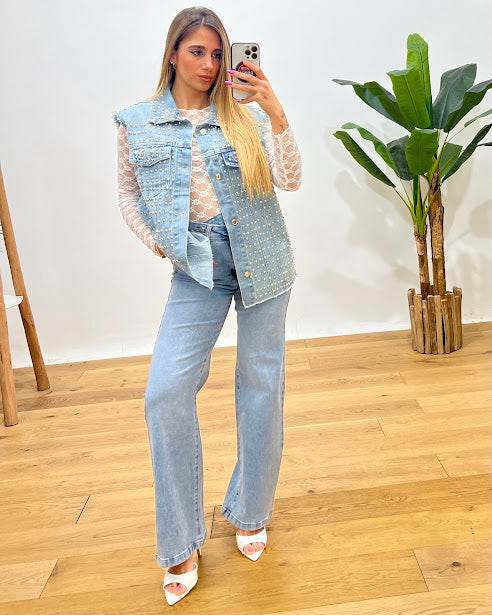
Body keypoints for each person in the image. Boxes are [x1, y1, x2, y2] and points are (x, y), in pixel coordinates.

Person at [113, 5, 301, 606]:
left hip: (263, 256)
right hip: (197, 268)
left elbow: (290, 180)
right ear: (173, 53)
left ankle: (251, 510)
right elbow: (128, 194)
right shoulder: (137, 122)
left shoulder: (245, 115)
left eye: (219, 54)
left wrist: (275, 112)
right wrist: (161, 244)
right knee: (165, 392)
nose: (210, 64)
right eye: (197, 52)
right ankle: (180, 540)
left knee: (260, 384)